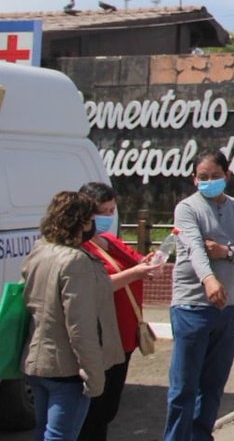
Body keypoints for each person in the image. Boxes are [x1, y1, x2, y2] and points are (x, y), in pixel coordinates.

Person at [164, 151, 234, 441]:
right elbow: (194, 247)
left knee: (212, 384)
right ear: (195, 180)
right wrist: (208, 279)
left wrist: (228, 252)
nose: (209, 182)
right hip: (191, 306)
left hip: (227, 307)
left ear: (227, 176)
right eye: (203, 178)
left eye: (215, 176)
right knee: (183, 386)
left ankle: (201, 435)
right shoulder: (187, 208)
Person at [23, 191, 125, 441]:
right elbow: (81, 327)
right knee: (60, 436)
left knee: (43, 431)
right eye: (91, 219)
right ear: (80, 222)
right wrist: (93, 377)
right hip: (66, 369)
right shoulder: (76, 261)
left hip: (37, 362)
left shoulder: (41, 251)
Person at [78, 182, 160, 441]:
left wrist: (148, 263)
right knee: (95, 410)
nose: (107, 217)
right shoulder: (81, 249)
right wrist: (136, 272)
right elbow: (101, 286)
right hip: (104, 338)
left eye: (112, 211)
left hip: (126, 337)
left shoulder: (109, 240)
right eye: (102, 212)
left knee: (109, 407)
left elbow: (135, 261)